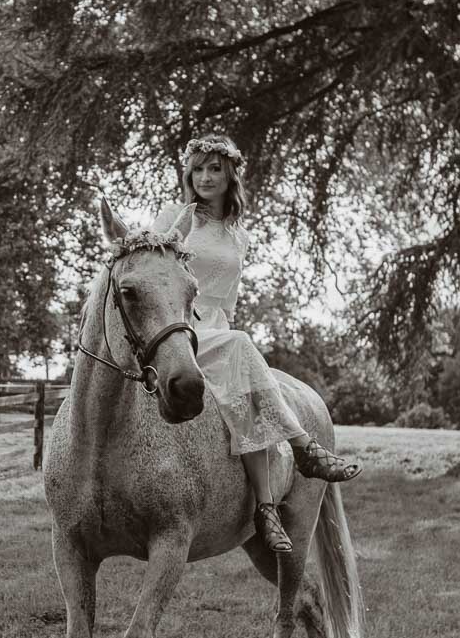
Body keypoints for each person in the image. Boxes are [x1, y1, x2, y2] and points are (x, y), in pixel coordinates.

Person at [151, 134, 360, 553]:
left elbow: (227, 300)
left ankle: (265, 508)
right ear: (188, 175)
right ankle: (305, 447)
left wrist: (226, 340)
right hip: (179, 327)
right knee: (240, 344)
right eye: (198, 169)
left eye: (215, 169)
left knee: (245, 400)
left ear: (230, 175)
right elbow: (158, 274)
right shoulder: (174, 215)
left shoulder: (238, 236)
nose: (206, 177)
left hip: (221, 330)